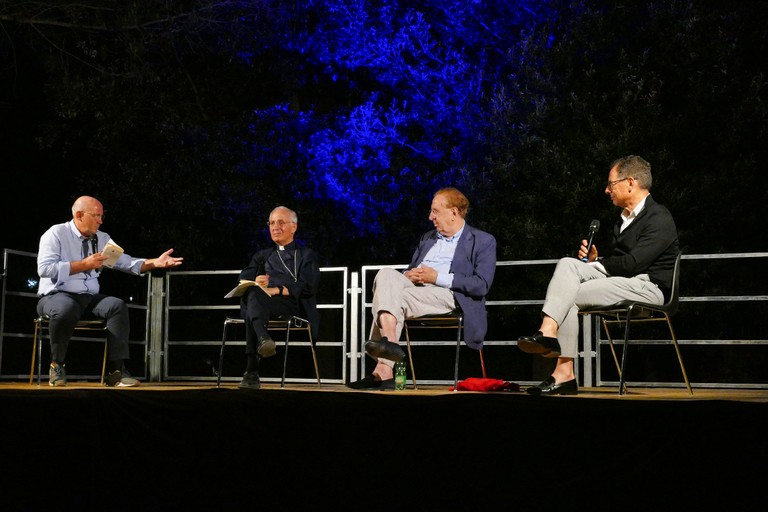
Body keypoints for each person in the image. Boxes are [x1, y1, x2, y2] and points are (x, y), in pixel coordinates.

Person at [517, 155, 680, 395]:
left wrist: (599, 264)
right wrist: (594, 262)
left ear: (630, 182)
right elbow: (620, 265)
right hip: (624, 282)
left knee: (568, 293)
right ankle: (557, 355)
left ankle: (555, 353)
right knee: (567, 264)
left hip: (650, 287)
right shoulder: (621, 222)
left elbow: (634, 264)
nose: (606, 190)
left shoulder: (659, 217)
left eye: (611, 184)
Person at [348, 187, 497, 390]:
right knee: (385, 274)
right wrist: (408, 275)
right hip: (415, 288)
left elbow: (481, 285)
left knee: (394, 299)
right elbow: (409, 270)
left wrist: (437, 277)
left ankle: (384, 366)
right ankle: (390, 344)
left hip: (449, 293)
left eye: (435, 211)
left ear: (453, 212)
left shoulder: (483, 241)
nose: (430, 217)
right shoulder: (427, 238)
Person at [36, 195, 183, 387]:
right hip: (55, 297)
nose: (100, 221)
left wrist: (155, 262)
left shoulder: (102, 238)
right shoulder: (56, 234)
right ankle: (57, 365)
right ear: (79, 215)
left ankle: (117, 372)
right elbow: (45, 269)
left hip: (88, 299)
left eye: (101, 216)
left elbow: (126, 262)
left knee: (116, 305)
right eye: (96, 216)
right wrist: (83, 264)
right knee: (66, 307)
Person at [235, 206, 321, 390]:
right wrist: (254, 280)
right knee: (253, 293)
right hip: (262, 303)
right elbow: (243, 276)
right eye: (272, 223)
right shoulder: (262, 256)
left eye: (281, 222)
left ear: (294, 227)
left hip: (291, 305)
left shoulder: (306, 255)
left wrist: (278, 290)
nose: (275, 227)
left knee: (252, 305)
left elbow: (309, 285)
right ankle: (264, 338)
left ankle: (252, 370)